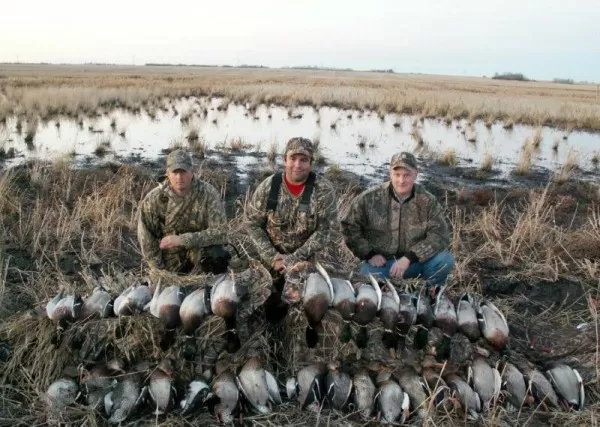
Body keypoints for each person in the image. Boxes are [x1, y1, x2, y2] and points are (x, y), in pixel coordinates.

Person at [245, 137, 339, 320]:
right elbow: (251, 223)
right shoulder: (269, 187)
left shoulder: (323, 190)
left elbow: (329, 230)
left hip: (306, 258)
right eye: (293, 158)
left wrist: (296, 258)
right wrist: (272, 258)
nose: (297, 165)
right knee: (256, 302)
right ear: (284, 160)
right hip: (272, 257)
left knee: (312, 303)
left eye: (304, 160)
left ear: (311, 163)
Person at [341, 151, 454, 288]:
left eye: (407, 175)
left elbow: (439, 235)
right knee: (365, 277)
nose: (401, 181)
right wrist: (369, 254)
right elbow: (349, 227)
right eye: (397, 175)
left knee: (445, 261)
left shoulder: (427, 201)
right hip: (383, 265)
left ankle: (431, 293)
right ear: (390, 173)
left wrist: (409, 258)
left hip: (415, 263)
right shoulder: (369, 198)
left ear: (416, 174)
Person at [137, 149, 230, 274]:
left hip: (199, 252)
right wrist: (160, 272)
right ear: (167, 174)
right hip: (169, 258)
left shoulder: (208, 193)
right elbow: (147, 241)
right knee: (162, 286)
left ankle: (209, 284)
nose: (179, 177)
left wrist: (182, 240)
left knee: (218, 255)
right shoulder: (153, 200)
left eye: (184, 172)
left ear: (192, 172)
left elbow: (220, 233)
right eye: (175, 172)